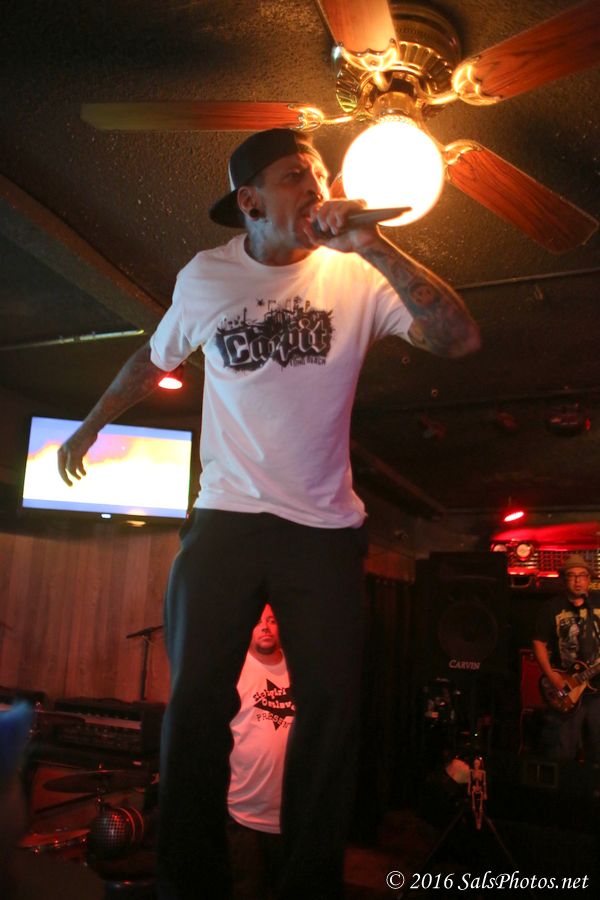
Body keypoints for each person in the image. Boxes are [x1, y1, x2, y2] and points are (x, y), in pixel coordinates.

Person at [57, 127, 481, 899]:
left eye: (319, 175)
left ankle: (307, 885)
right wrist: (90, 425)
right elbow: (153, 358)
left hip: (323, 529)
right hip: (227, 514)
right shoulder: (206, 276)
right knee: (195, 703)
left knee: (331, 711)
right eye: (295, 177)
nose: (315, 188)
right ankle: (190, 884)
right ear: (250, 202)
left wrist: (374, 243)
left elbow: (459, 339)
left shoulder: (355, 272)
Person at [228, 604, 295, 899]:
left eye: (272, 620)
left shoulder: (298, 670)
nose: (265, 626)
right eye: (258, 621)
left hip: (289, 815)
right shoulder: (235, 671)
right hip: (244, 814)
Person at [532, 554, 600, 763]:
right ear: (564, 580)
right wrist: (552, 676)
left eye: (582, 575)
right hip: (565, 687)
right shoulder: (551, 607)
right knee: (561, 751)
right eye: (572, 576)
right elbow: (539, 643)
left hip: (597, 690)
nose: (578, 580)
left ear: (589, 579)